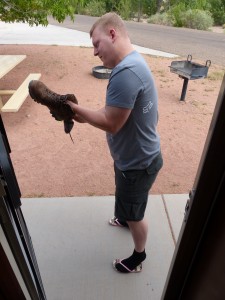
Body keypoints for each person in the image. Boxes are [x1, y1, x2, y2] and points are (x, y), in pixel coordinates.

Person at [67, 12, 163, 273]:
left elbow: (111, 122)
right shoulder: (134, 63)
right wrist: (86, 116)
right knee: (126, 197)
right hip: (137, 157)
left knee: (135, 212)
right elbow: (119, 113)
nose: (95, 53)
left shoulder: (126, 73)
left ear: (112, 34)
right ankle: (124, 216)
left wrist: (71, 107)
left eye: (97, 44)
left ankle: (138, 257)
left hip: (137, 164)